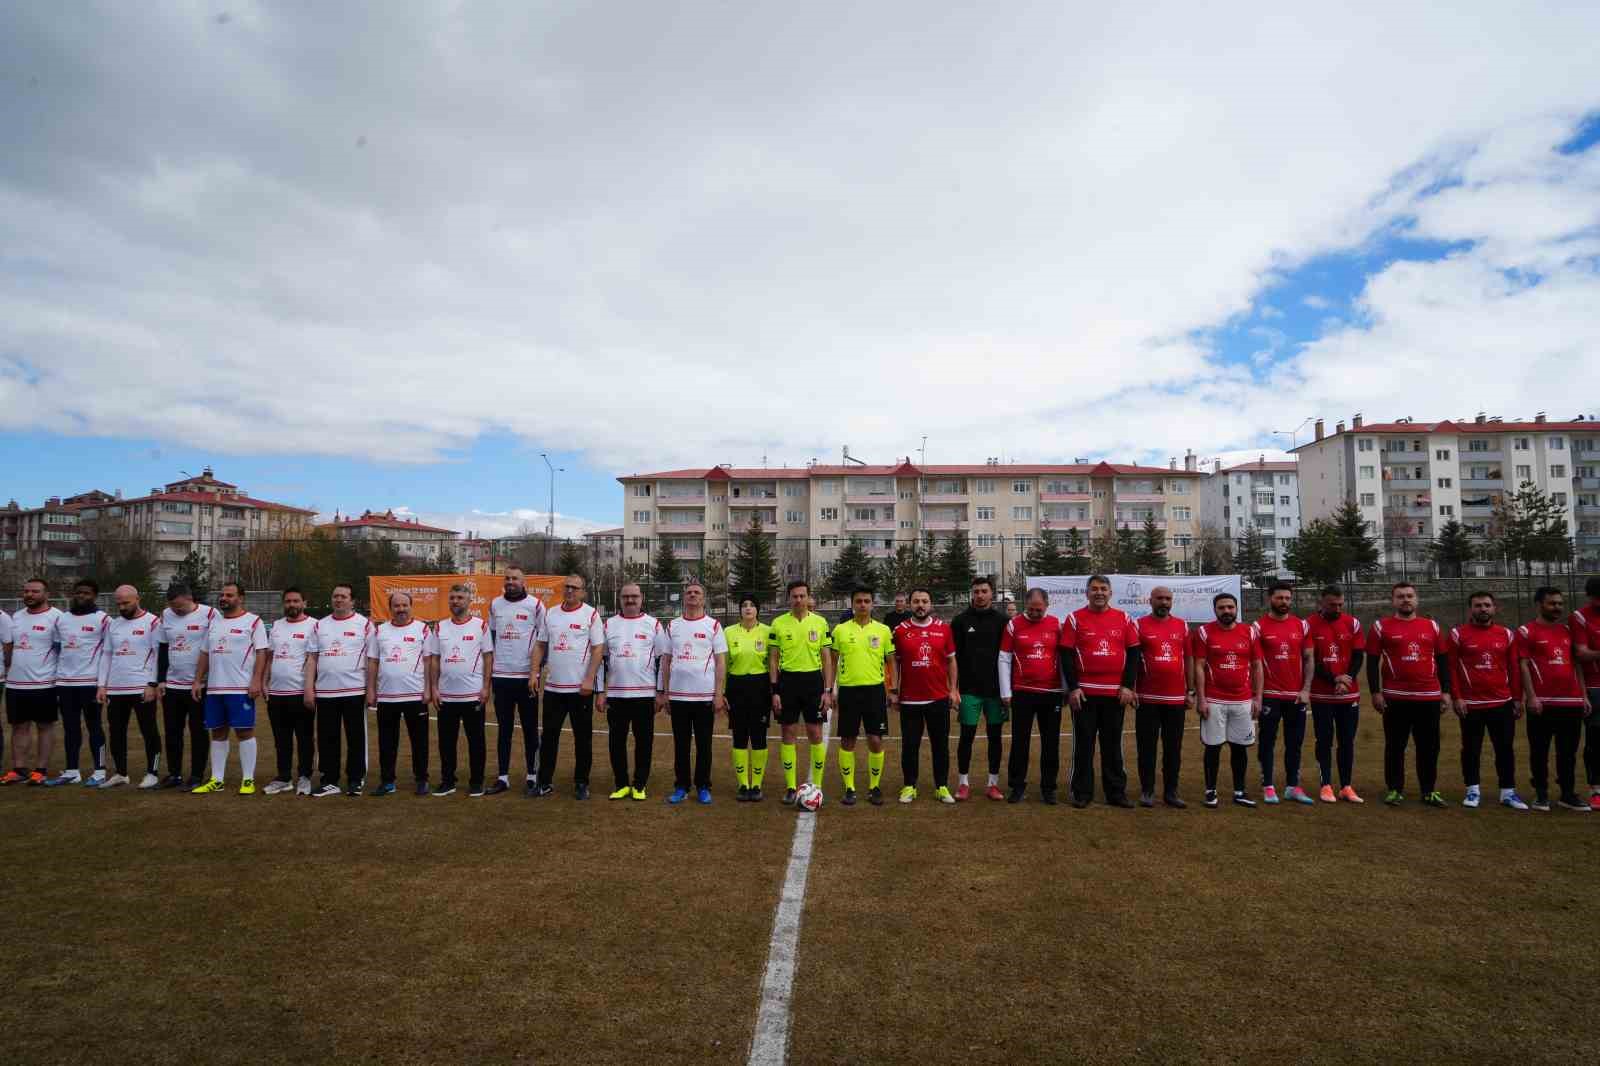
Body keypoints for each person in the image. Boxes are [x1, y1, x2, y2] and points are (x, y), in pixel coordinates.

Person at [1366, 582, 1452, 807]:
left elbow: (1443, 660)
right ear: (1393, 601)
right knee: (1395, 746)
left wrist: (1446, 692)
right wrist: (1376, 692)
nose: (1406, 600)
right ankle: (1394, 789)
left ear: (1417, 599)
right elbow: (1372, 662)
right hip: (1395, 697)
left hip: (1429, 697)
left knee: (1429, 746)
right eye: (1400, 596)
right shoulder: (1380, 627)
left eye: (1409, 596)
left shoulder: (1431, 626)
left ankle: (1429, 790)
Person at [1062, 575, 1139, 809]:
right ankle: (1082, 792)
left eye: (1103, 589)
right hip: (1084, 695)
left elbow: (1134, 653)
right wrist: (1073, 688)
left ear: (1110, 593)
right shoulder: (1074, 619)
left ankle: (1116, 792)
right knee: (1083, 745)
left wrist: (1127, 686)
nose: (1099, 593)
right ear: (1086, 593)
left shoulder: (1124, 618)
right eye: (1094, 589)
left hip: (1114, 695)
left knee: (1113, 745)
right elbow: (1066, 655)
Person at [1445, 591, 1527, 810]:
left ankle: (1508, 792)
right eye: (1478, 605)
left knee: (1505, 748)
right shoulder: (1457, 634)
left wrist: (1517, 698)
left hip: (1502, 702)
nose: (1483, 609)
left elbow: (1514, 669)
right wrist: (1457, 697)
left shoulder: (1506, 634)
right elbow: (1451, 668)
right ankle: (1472, 790)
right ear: (1470, 609)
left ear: (1494, 608)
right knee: (1471, 748)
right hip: (1471, 704)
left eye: (1487, 605)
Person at [190, 581, 270, 794]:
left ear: (240, 598)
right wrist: (198, 680)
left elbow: (262, 652)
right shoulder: (214, 623)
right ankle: (217, 780)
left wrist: (256, 681)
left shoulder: (253, 622)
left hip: (240, 688)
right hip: (215, 689)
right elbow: (205, 653)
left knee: (244, 732)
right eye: (222, 595)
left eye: (229, 595)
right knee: (217, 732)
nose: (224, 598)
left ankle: (248, 779)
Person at [1519, 586, 1592, 812]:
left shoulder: (1568, 631)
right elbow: (1523, 665)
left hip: (1570, 702)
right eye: (1552, 603)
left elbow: (1577, 664)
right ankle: (1541, 794)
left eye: (1560, 603)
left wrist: (1583, 695)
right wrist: (1531, 697)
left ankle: (1567, 794)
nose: (1557, 607)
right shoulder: (1526, 631)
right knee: (1539, 750)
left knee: (1568, 752)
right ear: (1539, 604)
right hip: (1542, 703)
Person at [533, 574, 603, 799]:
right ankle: (544, 782)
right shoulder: (551, 613)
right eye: (567, 587)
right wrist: (534, 673)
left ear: (583, 592)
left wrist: (589, 680)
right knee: (549, 738)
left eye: (575, 588)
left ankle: (581, 783)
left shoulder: (591, 614)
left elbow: (598, 650)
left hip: (579, 690)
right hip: (554, 689)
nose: (570, 591)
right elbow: (540, 645)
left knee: (583, 739)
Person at [1191, 592, 1261, 809]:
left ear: (1236, 608)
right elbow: (1199, 666)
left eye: (1230, 607)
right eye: (1221, 608)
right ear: (1215, 610)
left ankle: (1239, 791)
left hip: (1242, 700)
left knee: (1239, 747)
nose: (1226, 611)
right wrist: (1201, 699)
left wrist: (1258, 697)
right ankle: (1210, 791)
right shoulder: (1204, 632)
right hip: (1214, 700)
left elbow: (1257, 666)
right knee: (1213, 747)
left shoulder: (1249, 631)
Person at [660, 581, 728, 805]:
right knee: (681, 744)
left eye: (697, 592)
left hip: (704, 697)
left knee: (704, 744)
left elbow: (720, 662)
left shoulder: (714, 625)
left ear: (703, 598)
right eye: (689, 592)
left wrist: (718, 694)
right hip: (678, 697)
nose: (692, 595)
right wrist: (666, 692)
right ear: (684, 597)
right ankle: (681, 786)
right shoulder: (673, 626)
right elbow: (666, 660)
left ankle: (703, 786)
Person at [890, 587, 958, 804]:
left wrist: (954, 689)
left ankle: (942, 786)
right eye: (916, 601)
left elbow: (951, 661)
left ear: (931, 604)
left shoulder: (944, 629)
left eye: (924, 601)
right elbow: (893, 664)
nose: (921, 605)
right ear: (910, 604)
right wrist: (893, 691)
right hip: (910, 699)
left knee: (941, 745)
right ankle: (909, 786)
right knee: (910, 745)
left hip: (938, 698)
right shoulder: (899, 631)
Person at [768, 581, 834, 805]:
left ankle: (816, 784)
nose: (798, 600)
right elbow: (773, 658)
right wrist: (775, 690)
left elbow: (826, 657)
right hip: (787, 682)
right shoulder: (778, 624)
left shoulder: (821, 622)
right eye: (794, 596)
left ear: (808, 597)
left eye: (802, 596)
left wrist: (827, 690)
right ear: (789, 598)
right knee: (788, 734)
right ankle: (790, 786)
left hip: (813, 682)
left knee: (815, 734)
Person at [999, 587, 1065, 805]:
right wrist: (1006, 692)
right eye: (1032, 609)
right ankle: (1017, 787)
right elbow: (1004, 658)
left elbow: (1064, 659)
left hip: (1051, 693)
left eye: (1039, 609)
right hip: (1023, 693)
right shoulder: (1013, 624)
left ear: (1047, 605)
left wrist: (1065, 688)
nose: (1036, 613)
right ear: (1025, 605)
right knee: (1020, 742)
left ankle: (1049, 788)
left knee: (1051, 743)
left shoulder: (1057, 624)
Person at [599, 582, 664, 801]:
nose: (630, 600)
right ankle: (621, 784)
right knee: (616, 742)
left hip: (644, 695)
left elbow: (662, 661)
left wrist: (660, 692)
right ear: (620, 599)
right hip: (617, 695)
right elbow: (600, 660)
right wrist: (601, 691)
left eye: (634, 596)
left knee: (644, 742)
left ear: (641, 598)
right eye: (626, 596)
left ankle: (639, 784)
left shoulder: (653, 625)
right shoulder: (608, 625)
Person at [830, 586, 895, 806]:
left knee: (875, 740)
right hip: (848, 691)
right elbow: (832, 661)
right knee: (848, 739)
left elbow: (891, 661)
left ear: (873, 604)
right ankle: (849, 788)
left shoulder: (883, 630)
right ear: (852, 603)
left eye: (867, 601)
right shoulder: (840, 630)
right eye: (858, 601)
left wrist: (892, 689)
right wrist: (831, 689)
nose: (863, 605)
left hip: (874, 691)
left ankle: (874, 786)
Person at [366, 591, 435, 796]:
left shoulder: (422, 629)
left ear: (411, 606)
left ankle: (421, 779)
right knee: (387, 741)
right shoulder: (380, 631)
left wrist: (428, 689)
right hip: (387, 697)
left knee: (419, 741)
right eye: (397, 606)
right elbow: (373, 661)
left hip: (415, 696)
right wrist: (371, 689)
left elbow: (429, 661)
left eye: (405, 605)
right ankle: (387, 781)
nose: (401, 609)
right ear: (391, 608)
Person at [306, 583, 372, 797]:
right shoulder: (320, 625)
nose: (339, 600)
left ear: (352, 601)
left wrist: (371, 689)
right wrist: (309, 688)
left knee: (356, 738)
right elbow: (312, 658)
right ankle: (329, 780)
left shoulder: (365, 625)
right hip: (325, 692)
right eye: (335, 596)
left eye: (344, 596)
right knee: (327, 738)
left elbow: (373, 660)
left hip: (354, 691)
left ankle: (355, 779)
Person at [487, 567, 547, 796]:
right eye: (507, 578)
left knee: (530, 729)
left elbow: (543, 642)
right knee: (504, 729)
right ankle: (503, 777)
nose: (510, 582)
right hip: (501, 677)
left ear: (524, 582)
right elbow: (491, 639)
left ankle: (532, 775)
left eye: (515, 579)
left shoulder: (536, 605)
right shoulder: (495, 605)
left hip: (526, 678)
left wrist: (536, 672)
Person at [1253, 582, 1314, 805]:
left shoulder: (1302, 625)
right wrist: (1257, 696)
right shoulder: (1258, 627)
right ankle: (1268, 786)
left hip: (1296, 695)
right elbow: (1256, 664)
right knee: (1267, 741)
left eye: (1288, 598)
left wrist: (1306, 689)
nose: (1284, 602)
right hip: (1270, 694)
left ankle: (1292, 786)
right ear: (1270, 599)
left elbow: (1308, 658)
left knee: (1295, 742)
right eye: (1280, 598)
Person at [96, 585, 162, 790]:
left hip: (142, 687)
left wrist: (152, 684)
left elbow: (159, 655)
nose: (122, 607)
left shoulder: (153, 622)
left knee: (149, 730)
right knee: (116, 732)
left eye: (126, 603)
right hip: (116, 688)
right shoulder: (113, 625)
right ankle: (121, 773)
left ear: (137, 599)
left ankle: (152, 773)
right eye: (119, 603)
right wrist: (102, 685)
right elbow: (107, 655)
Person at [1134, 585, 1191, 808]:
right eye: (1159, 598)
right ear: (1150, 601)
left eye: (1167, 599)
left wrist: (1191, 691)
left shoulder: (1182, 626)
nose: (1164, 602)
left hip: (1175, 699)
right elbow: (1132, 660)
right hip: (1147, 698)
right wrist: (1133, 688)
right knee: (1146, 747)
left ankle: (1171, 791)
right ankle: (1147, 790)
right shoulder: (1139, 625)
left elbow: (1188, 659)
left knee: (1173, 747)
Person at [433, 583, 492, 797]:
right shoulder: (440, 627)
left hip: (473, 695)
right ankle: (448, 781)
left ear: (469, 601)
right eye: (452, 598)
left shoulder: (480, 626)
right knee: (446, 742)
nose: (455, 601)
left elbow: (488, 657)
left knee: (476, 741)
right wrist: (433, 688)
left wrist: (486, 687)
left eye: (459, 598)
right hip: (446, 695)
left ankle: (477, 782)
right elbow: (434, 659)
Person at [1306, 585, 1364, 803]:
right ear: (1321, 602)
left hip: (1348, 694)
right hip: (1322, 695)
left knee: (1347, 740)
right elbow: (1310, 660)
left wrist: (1346, 679)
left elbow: (1358, 656)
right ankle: (1326, 785)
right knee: (1324, 740)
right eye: (1332, 604)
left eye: (1340, 604)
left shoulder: (1353, 623)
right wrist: (1334, 679)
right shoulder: (1308, 625)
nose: (1337, 608)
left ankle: (1346, 786)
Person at [951, 576, 1007, 801]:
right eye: (976, 591)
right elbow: (951, 658)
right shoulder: (960, 621)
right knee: (967, 737)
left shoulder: (1003, 621)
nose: (980, 595)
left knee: (995, 737)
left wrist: (1007, 692)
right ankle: (963, 782)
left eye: (984, 591)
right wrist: (953, 688)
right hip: (968, 691)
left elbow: (1008, 658)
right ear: (971, 594)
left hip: (996, 692)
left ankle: (993, 783)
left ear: (992, 593)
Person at [3, 578, 63, 786]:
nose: (29, 594)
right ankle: (19, 769)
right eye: (26, 591)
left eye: (35, 591)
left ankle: (41, 770)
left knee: (44, 727)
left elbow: (62, 650)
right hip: (15, 684)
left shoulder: (56, 618)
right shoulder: (16, 617)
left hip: (44, 683)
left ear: (46, 594)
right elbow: (9, 647)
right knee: (19, 727)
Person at [49, 579, 108, 787]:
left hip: (90, 683)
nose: (82, 596)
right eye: (79, 592)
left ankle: (100, 771)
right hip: (65, 683)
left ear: (95, 596)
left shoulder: (103, 619)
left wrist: (102, 683)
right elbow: (58, 648)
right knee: (70, 728)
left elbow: (108, 652)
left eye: (87, 593)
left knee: (94, 727)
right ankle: (72, 771)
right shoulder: (62, 619)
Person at [157, 583, 216, 789]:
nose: (176, 611)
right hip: (172, 686)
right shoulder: (166, 614)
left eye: (180, 608)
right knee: (172, 731)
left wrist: (202, 680)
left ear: (191, 599)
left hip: (199, 685)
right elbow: (163, 648)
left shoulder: (210, 614)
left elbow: (213, 648)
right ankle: (174, 774)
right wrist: (161, 679)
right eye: (173, 607)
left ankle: (197, 775)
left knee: (198, 731)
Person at [264, 588, 316, 795]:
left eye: (296, 600)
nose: (291, 604)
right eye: (288, 601)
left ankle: (304, 776)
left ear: (304, 602)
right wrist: (264, 681)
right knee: (281, 739)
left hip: (300, 692)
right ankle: (283, 777)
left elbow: (314, 659)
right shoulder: (276, 626)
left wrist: (309, 689)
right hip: (276, 694)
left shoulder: (314, 626)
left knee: (304, 738)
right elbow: (269, 656)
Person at [726, 598, 773, 801]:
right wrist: (722, 692)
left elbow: (773, 662)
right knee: (739, 736)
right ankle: (743, 784)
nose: (747, 608)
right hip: (736, 686)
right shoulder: (728, 632)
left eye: (752, 605)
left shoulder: (768, 631)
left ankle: (757, 784)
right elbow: (723, 664)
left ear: (757, 610)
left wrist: (774, 690)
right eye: (744, 605)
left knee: (759, 736)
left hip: (760, 687)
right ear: (739, 611)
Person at [1569, 576, 1600, 810]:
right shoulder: (1580, 617)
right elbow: (1581, 654)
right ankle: (1596, 789)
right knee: (1595, 741)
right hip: (1594, 687)